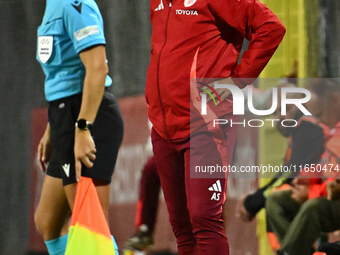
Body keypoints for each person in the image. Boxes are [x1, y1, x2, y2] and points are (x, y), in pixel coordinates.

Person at [145, 0, 286, 254]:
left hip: (206, 123)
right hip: (163, 126)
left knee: (204, 219)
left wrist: (238, 80)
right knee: (181, 225)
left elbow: (271, 27)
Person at [34, 0, 124, 254]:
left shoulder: (76, 4)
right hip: (64, 118)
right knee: (47, 221)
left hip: (89, 118)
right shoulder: (53, 5)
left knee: (90, 225)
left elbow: (97, 68)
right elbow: (61, 77)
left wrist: (83, 128)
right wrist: (52, 129)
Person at [265, 79, 340, 255]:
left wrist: (314, 192)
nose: (315, 121)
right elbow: (325, 168)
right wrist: (305, 182)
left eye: (319, 114)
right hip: (330, 196)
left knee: (313, 208)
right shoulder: (328, 131)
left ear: (335, 100)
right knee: (276, 201)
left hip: (331, 199)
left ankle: (289, 252)